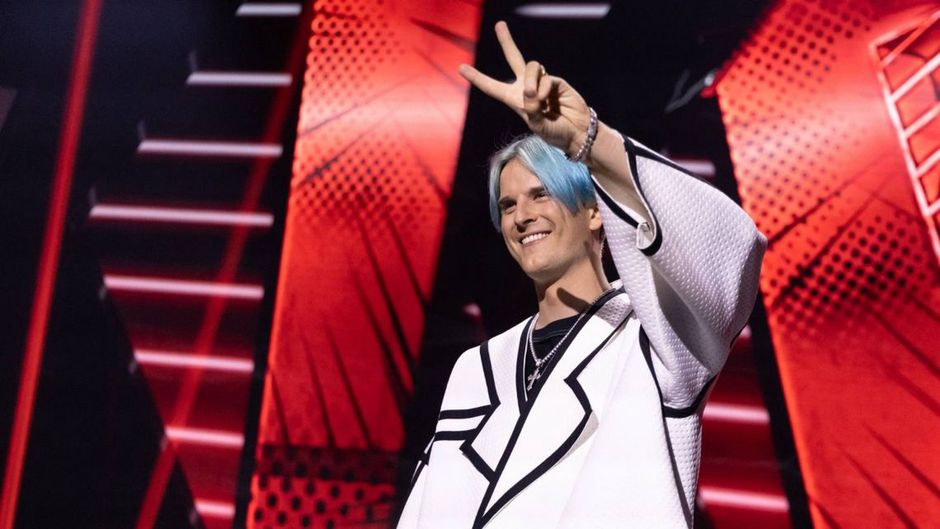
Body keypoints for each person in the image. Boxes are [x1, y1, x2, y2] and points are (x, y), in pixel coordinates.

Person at [396, 21, 766, 529]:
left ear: (595, 211)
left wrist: (587, 140)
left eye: (540, 194)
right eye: (507, 205)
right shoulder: (476, 368)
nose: (521, 216)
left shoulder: (653, 341)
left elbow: (729, 249)